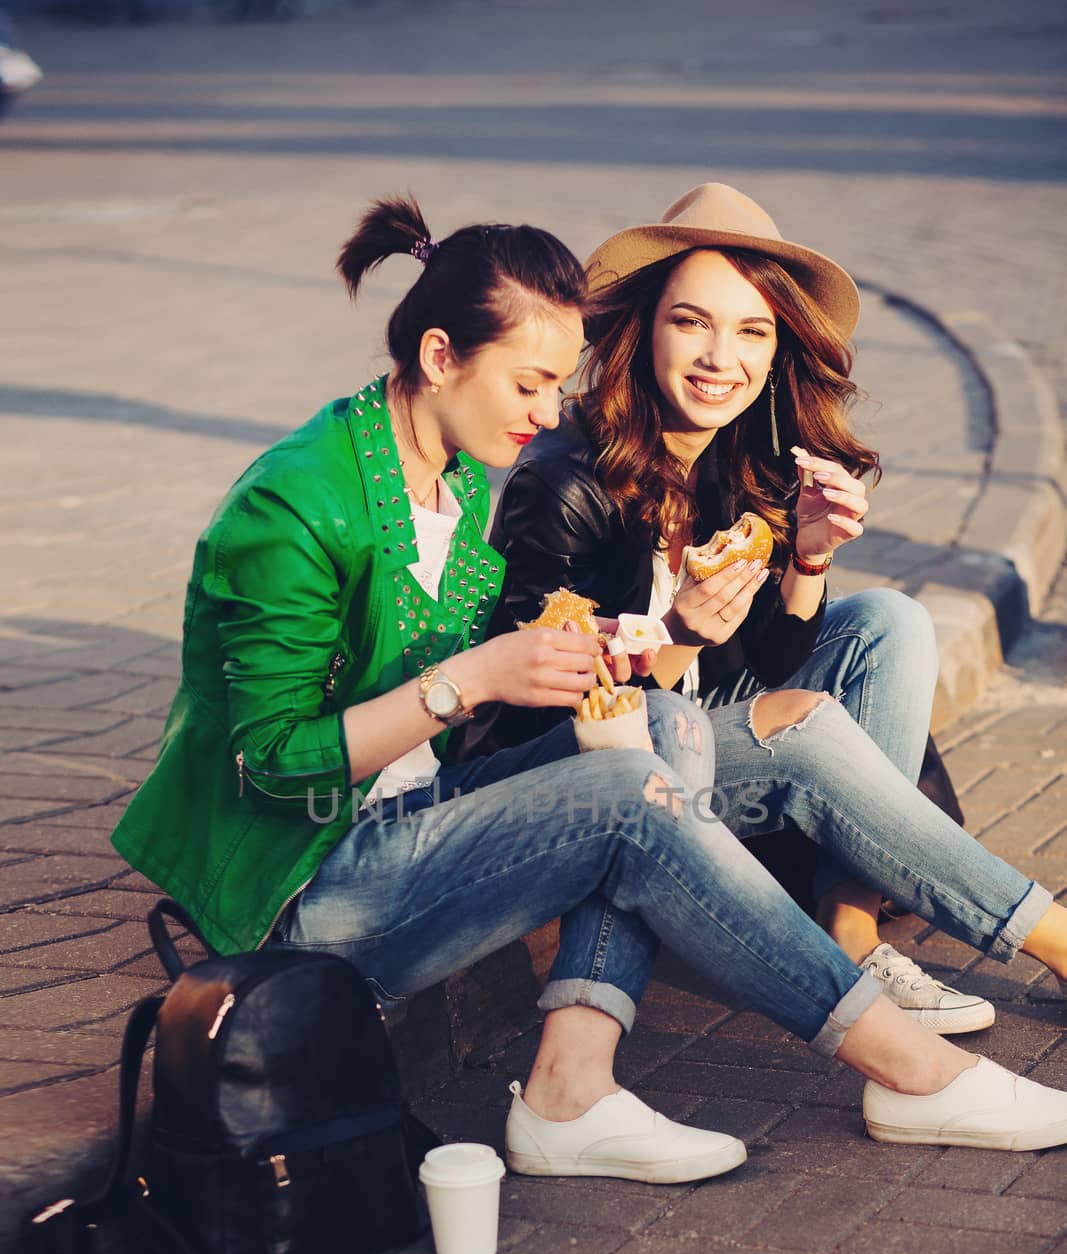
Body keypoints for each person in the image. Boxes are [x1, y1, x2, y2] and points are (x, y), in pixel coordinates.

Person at [111, 193, 1067, 1188]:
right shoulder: (297, 501)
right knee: (629, 788)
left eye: (555, 384)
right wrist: (471, 679)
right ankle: (911, 1070)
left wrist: (629, 641)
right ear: (441, 357)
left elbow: (579, 682)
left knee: (656, 728)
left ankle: (570, 1086)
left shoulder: (461, 474)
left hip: (415, 817)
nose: (544, 413)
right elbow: (271, 766)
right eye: (527, 384)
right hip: (309, 879)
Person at [476, 182, 990, 1036]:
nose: (723, 357)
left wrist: (809, 557)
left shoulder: (744, 455)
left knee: (891, 619)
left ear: (778, 344)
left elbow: (779, 664)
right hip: (631, 773)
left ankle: (850, 932)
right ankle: (1033, 931)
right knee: (756, 720)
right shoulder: (563, 479)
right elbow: (537, 725)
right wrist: (675, 637)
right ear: (643, 328)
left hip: (730, 742)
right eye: (692, 323)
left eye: (752, 330)